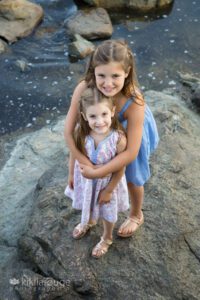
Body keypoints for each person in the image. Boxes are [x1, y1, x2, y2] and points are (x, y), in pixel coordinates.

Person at [64, 39, 159, 239]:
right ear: (93, 71)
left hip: (127, 132)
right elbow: (69, 132)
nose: (108, 83)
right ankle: (91, 215)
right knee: (91, 167)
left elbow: (131, 152)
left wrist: (98, 171)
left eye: (115, 75)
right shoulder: (84, 89)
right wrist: (79, 165)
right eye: (101, 76)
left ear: (127, 72)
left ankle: (135, 214)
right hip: (98, 127)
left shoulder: (135, 103)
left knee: (133, 177)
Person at [65, 87, 129, 258]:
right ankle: (88, 221)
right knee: (89, 201)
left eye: (104, 114)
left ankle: (107, 237)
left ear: (112, 112)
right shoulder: (81, 133)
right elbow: (74, 154)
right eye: (93, 116)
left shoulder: (118, 139)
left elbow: (120, 166)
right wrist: (71, 174)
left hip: (108, 183)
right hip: (86, 180)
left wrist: (108, 190)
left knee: (108, 210)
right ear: (84, 116)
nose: (99, 121)